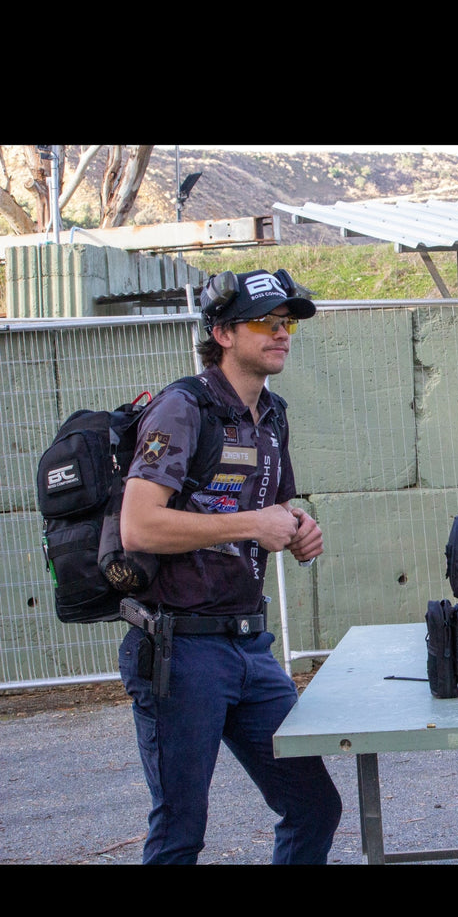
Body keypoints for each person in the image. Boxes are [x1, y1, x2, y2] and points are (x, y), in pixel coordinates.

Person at [118, 268, 342, 865]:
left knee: (313, 806)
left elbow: (274, 508)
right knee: (180, 831)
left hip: (249, 646)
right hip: (181, 649)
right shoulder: (181, 408)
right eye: (265, 322)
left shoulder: (272, 413)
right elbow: (138, 526)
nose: (282, 333)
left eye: (287, 323)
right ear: (221, 333)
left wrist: (298, 526)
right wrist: (250, 525)